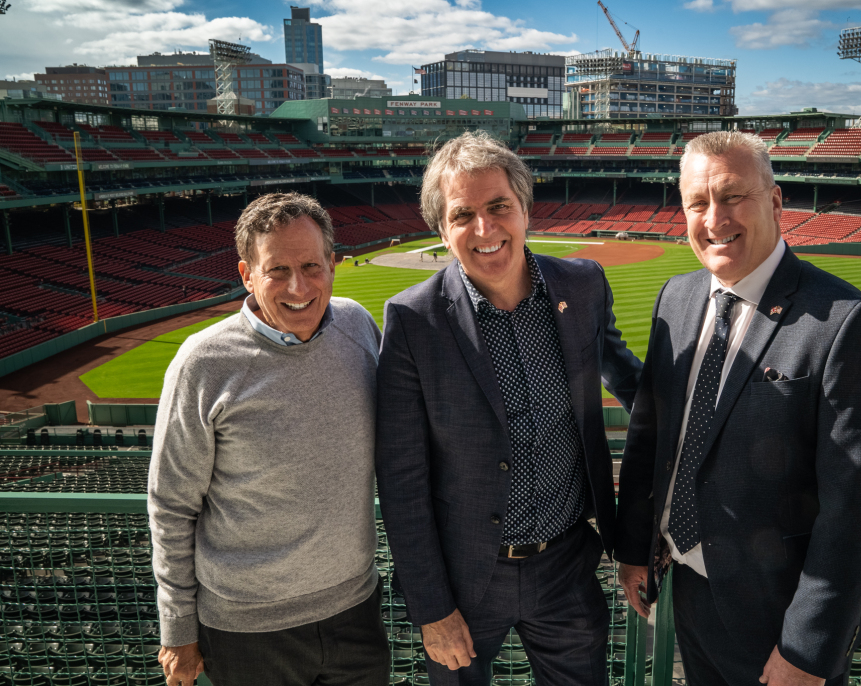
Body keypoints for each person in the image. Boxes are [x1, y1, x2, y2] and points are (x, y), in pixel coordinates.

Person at [615, 131, 861, 686]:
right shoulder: (676, 297)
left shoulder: (848, 322)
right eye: (697, 203)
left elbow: (858, 510)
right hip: (690, 589)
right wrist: (633, 548)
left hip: (779, 612)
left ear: (774, 201)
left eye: (732, 196)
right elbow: (651, 435)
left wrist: (807, 648)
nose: (714, 218)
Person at [376, 131, 642, 686]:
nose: (483, 228)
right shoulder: (411, 320)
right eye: (462, 214)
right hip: (465, 578)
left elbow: (634, 387)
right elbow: (401, 479)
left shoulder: (584, 284)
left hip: (568, 565)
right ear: (442, 229)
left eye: (498, 206)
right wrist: (432, 608)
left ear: (524, 209)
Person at [149, 192, 389, 686]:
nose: (297, 286)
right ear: (246, 275)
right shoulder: (203, 363)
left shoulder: (358, 326)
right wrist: (177, 629)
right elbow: (171, 505)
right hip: (246, 631)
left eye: (311, 266)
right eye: (277, 270)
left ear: (332, 265)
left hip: (356, 612)